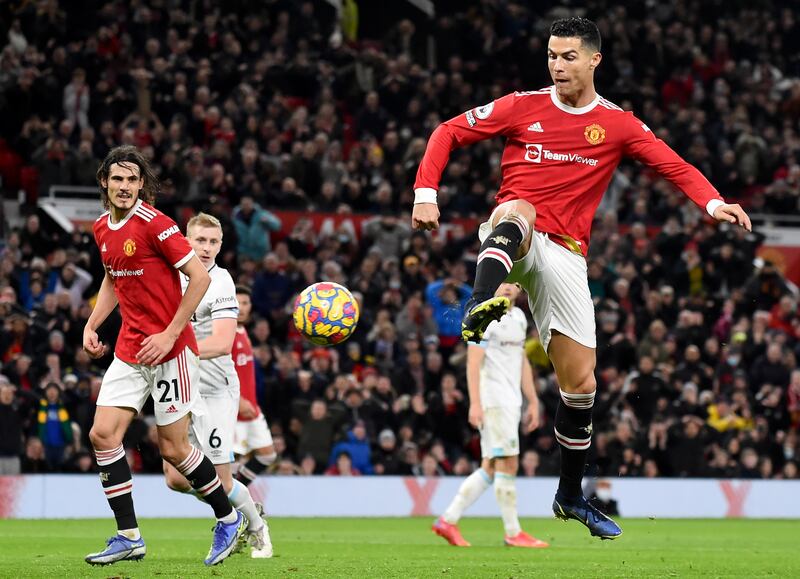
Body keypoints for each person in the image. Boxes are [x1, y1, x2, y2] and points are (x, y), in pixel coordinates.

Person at [411, 18, 752, 540]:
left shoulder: (616, 123)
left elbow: (672, 164)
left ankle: (569, 495)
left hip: (567, 255)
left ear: (594, 59)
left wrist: (713, 202)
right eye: (551, 55)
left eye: (568, 56)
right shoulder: (522, 106)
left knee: (581, 387)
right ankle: (481, 304)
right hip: (518, 231)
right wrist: (426, 192)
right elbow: (447, 131)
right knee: (515, 212)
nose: (556, 65)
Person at [83, 146, 245, 566]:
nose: (123, 186)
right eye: (116, 179)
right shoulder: (102, 227)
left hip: (172, 350)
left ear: (142, 184)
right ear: (105, 181)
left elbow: (200, 277)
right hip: (131, 349)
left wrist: (172, 332)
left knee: (172, 450)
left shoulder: (156, 224)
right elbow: (112, 278)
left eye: (131, 180)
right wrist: (92, 324)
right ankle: (128, 536)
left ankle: (228, 519)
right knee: (102, 435)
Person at [162, 214, 273, 559]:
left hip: (214, 391)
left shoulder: (221, 281)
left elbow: (223, 343)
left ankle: (257, 528)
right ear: (186, 240)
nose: (206, 248)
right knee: (176, 478)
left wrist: (169, 347)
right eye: (200, 241)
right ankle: (234, 512)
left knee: (221, 481)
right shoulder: (169, 275)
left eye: (213, 242)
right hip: (181, 384)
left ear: (220, 245)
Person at [433, 283, 547, 549]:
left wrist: (533, 400)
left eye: (514, 283)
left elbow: (521, 362)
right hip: (495, 400)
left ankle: (448, 521)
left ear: (520, 289)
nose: (508, 287)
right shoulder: (482, 315)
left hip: (511, 401)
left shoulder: (518, 318)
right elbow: (473, 363)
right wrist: (475, 403)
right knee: (507, 463)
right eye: (503, 281)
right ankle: (513, 532)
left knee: (491, 466)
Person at [231, 286, 277, 491]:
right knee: (231, 462)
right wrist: (237, 399)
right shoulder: (225, 331)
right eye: (237, 302)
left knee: (268, 454)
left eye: (245, 303)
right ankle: (230, 513)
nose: (241, 307)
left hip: (252, 409)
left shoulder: (243, 332)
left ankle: (237, 493)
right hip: (233, 410)